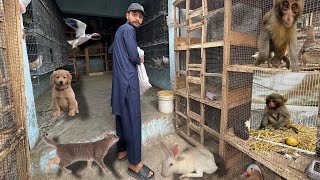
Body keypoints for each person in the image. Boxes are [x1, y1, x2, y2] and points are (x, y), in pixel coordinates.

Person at [108, 3, 154, 180]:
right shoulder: (128, 30)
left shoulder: (119, 32)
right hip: (128, 82)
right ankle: (135, 164)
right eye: (134, 14)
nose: (138, 19)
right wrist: (139, 57)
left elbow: (112, 49)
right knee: (133, 120)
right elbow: (134, 57)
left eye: (141, 16)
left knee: (121, 116)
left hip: (119, 82)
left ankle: (122, 151)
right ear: (127, 15)